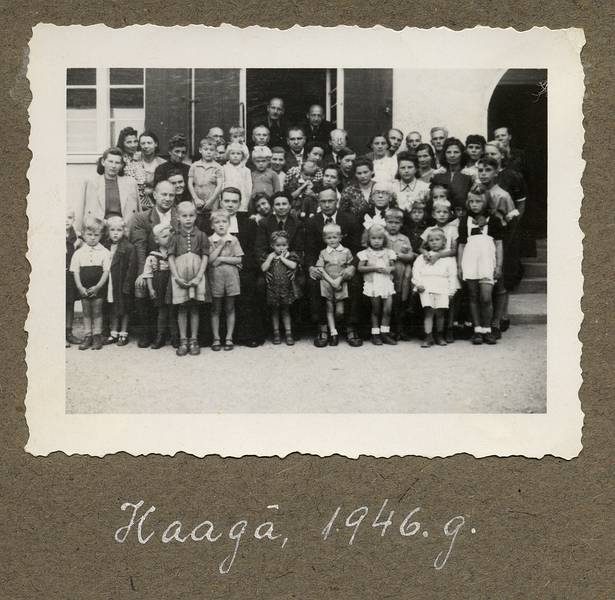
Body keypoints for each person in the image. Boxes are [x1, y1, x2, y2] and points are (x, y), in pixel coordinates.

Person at [305, 189, 363, 347]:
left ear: (336, 201)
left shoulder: (349, 220)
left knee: (356, 282)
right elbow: (309, 250)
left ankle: (351, 327)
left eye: (330, 201)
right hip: (323, 266)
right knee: (313, 283)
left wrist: (353, 267)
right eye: (323, 201)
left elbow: (358, 249)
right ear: (319, 203)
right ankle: (323, 327)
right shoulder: (312, 222)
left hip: (344, 265)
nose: (327, 204)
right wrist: (311, 267)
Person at [130, 180, 179, 348]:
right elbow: (140, 246)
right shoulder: (142, 217)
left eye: (171, 195)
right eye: (164, 194)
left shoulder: (180, 216)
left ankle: (174, 334)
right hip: (152, 264)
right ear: (155, 195)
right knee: (141, 285)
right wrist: (143, 273)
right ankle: (147, 332)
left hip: (174, 265)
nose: (167, 198)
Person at [218, 187, 265, 347]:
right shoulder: (212, 221)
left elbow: (253, 249)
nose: (230, 205)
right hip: (217, 267)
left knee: (248, 285)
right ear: (220, 201)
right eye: (227, 201)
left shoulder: (248, 223)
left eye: (234, 201)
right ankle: (218, 336)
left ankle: (247, 335)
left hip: (242, 267)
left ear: (239, 204)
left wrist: (240, 265)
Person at [457, 190, 504, 345]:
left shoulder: (494, 220)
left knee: (485, 297)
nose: (475, 205)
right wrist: (460, 265)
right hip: (470, 261)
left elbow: (498, 244)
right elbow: (462, 245)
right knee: (473, 296)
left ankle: (487, 328)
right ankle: (477, 330)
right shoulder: (465, 221)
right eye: (472, 202)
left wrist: (498, 265)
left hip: (487, 262)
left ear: (486, 202)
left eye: (478, 201)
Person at [168, 201, 209, 357]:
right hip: (180, 274)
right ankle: (183, 340)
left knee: (194, 307)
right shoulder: (175, 236)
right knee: (182, 307)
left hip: (196, 273)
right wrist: (176, 276)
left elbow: (205, 256)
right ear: (178, 217)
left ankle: (194, 340)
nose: (188, 219)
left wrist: (199, 276)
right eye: (184, 216)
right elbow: (171, 257)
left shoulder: (201, 235)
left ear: (196, 216)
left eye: (191, 215)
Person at [69, 217, 111, 351]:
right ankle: (88, 336)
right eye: (89, 234)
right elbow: (75, 272)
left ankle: (97, 335)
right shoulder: (78, 253)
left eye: (96, 235)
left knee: (97, 311)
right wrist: (80, 287)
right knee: (86, 312)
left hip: (99, 288)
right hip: (84, 288)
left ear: (101, 235)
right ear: (83, 234)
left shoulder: (105, 252)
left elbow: (106, 272)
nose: (93, 238)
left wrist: (98, 287)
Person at [412, 228, 457, 348]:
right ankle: (428, 336)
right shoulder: (422, 257)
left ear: (444, 242)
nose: (434, 242)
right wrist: (418, 284)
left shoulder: (448, 258)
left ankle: (439, 335)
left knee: (440, 313)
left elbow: (452, 276)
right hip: (426, 287)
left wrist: (452, 291)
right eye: (431, 240)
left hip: (442, 287)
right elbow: (416, 272)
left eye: (437, 240)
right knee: (429, 312)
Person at [207, 209, 244, 352]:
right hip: (216, 278)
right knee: (216, 308)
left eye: (224, 222)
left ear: (229, 224)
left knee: (230, 308)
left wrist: (221, 259)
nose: (221, 225)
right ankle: (216, 338)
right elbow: (210, 260)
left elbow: (239, 259)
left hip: (231, 278)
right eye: (217, 222)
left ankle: (229, 337)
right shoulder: (210, 240)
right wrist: (221, 245)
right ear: (212, 225)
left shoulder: (233, 239)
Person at [357, 224, 397, 346]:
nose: (376, 241)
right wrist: (374, 268)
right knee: (376, 310)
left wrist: (389, 269)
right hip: (373, 283)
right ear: (368, 239)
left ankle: (385, 333)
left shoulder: (389, 252)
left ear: (384, 239)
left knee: (388, 309)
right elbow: (360, 268)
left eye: (379, 238)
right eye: (373, 238)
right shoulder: (365, 253)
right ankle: (375, 334)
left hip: (386, 283)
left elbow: (393, 266)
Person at [315, 223, 354, 346]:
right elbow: (320, 268)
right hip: (327, 283)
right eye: (329, 238)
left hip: (341, 284)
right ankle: (333, 333)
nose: (332, 240)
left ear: (340, 237)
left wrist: (339, 280)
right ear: (324, 239)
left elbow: (349, 267)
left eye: (335, 237)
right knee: (329, 307)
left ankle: (339, 326)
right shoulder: (323, 253)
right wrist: (331, 281)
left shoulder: (346, 251)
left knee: (340, 311)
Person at [81, 147, 139, 230]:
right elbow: (84, 211)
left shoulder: (130, 183)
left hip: (123, 230)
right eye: (110, 161)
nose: (113, 166)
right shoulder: (92, 182)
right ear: (103, 162)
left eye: (117, 162)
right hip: (99, 230)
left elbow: (136, 211)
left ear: (121, 165)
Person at [261, 230, 300, 345]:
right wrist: (269, 258)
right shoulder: (270, 256)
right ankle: (276, 333)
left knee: (286, 310)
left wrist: (283, 259)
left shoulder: (290, 255)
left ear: (288, 245)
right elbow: (263, 268)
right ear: (272, 246)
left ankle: (288, 333)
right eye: (278, 245)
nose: (281, 248)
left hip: (286, 288)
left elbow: (293, 265)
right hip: (273, 288)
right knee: (274, 311)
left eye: (284, 245)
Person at [104, 216, 137, 346]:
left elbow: (131, 268)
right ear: (108, 231)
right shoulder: (105, 246)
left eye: (119, 230)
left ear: (124, 231)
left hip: (122, 282)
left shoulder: (128, 247)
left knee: (124, 308)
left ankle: (123, 333)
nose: (116, 233)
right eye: (112, 230)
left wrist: (127, 284)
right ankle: (113, 332)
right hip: (111, 282)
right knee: (113, 307)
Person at [384, 207, 415, 340]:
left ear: (401, 224)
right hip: (387, 273)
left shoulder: (404, 239)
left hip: (401, 274)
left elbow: (410, 256)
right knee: (389, 302)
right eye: (390, 222)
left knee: (401, 301)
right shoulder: (382, 236)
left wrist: (398, 255)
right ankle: (389, 330)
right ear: (385, 221)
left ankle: (400, 330)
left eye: (396, 223)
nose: (393, 225)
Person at [141, 224, 173, 349]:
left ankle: (175, 336)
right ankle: (161, 336)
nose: (168, 238)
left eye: (170, 236)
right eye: (164, 236)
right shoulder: (153, 256)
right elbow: (147, 273)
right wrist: (151, 289)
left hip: (172, 284)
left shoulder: (174, 253)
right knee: (162, 312)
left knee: (173, 311)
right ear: (156, 240)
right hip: (159, 285)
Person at [255, 192, 304, 263]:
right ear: (273, 207)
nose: (281, 207)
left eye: (284, 204)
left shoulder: (297, 224)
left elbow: (298, 249)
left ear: (290, 206)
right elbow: (260, 249)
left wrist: (292, 265)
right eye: (277, 204)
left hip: (291, 262)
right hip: (269, 262)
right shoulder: (264, 223)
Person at [188, 137, 225, 226]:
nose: (208, 152)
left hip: (212, 204)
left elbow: (219, 186)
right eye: (205, 149)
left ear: (215, 152)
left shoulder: (218, 167)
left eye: (211, 150)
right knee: (197, 223)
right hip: (197, 202)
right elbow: (190, 183)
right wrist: (195, 199)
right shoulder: (194, 166)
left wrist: (211, 201)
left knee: (211, 224)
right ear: (200, 150)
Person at [432, 137, 474, 210]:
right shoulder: (438, 176)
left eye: (456, 152)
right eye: (448, 152)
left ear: (462, 154)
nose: (452, 155)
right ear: (444, 154)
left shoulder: (469, 175)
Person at [116, 126, 147, 209]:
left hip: (143, 199)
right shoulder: (120, 161)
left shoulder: (139, 159)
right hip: (126, 201)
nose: (133, 145)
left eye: (135, 141)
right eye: (129, 142)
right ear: (122, 143)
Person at [65, 209, 83, 347]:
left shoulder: (76, 236)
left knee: (70, 302)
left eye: (69, 217)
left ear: (74, 219)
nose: (66, 220)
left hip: (70, 274)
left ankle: (69, 332)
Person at [138, 131, 167, 205]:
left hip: (157, 201)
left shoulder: (163, 163)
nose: (146, 146)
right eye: (143, 143)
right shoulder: (135, 161)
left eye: (149, 143)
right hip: (138, 201)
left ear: (156, 144)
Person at [223, 142, 252, 212]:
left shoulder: (246, 170)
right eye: (232, 153)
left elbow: (248, 188)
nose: (235, 156)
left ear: (242, 155)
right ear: (228, 155)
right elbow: (222, 185)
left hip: (241, 199)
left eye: (238, 154)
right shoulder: (223, 168)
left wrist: (245, 203)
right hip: (227, 198)